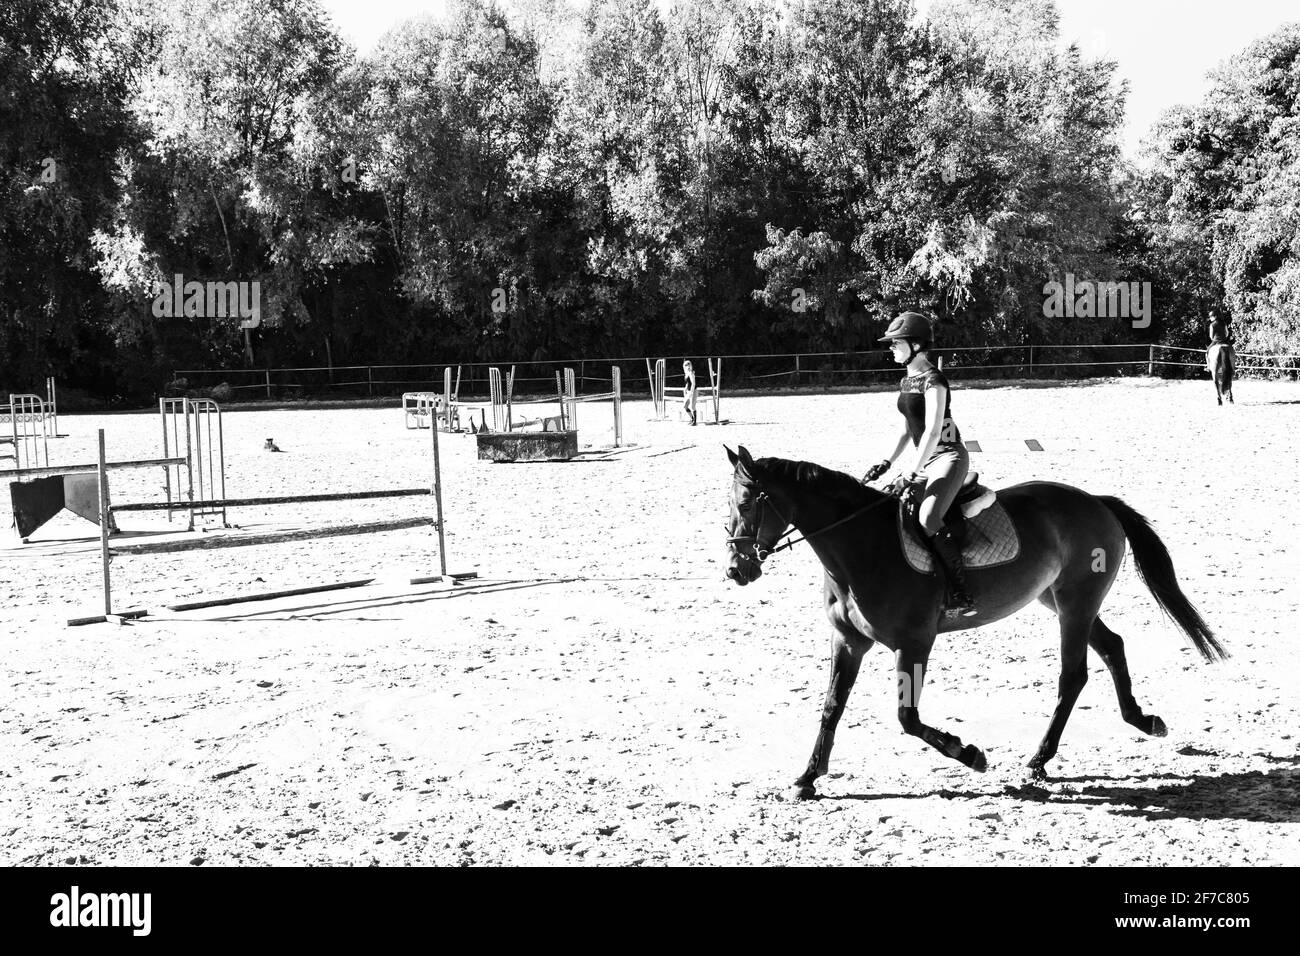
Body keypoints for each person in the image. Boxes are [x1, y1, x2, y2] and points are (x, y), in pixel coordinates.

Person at [862, 311, 976, 616]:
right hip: (924, 458)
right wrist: (886, 462)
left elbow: (933, 430)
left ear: (916, 344)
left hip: (948, 456)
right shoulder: (907, 380)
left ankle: (961, 592)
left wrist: (912, 471)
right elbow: (906, 426)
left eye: (896, 342)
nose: (891, 348)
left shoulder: (934, 381)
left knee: (927, 517)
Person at [682, 360, 698, 426]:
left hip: (693, 390)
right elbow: (687, 383)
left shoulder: (691, 373)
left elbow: (693, 383)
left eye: (688, 364)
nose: (687, 366)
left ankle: (695, 422)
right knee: (685, 406)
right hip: (688, 391)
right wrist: (685, 389)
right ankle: (692, 419)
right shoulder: (686, 373)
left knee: (692, 406)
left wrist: (691, 392)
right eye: (685, 365)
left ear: (690, 365)